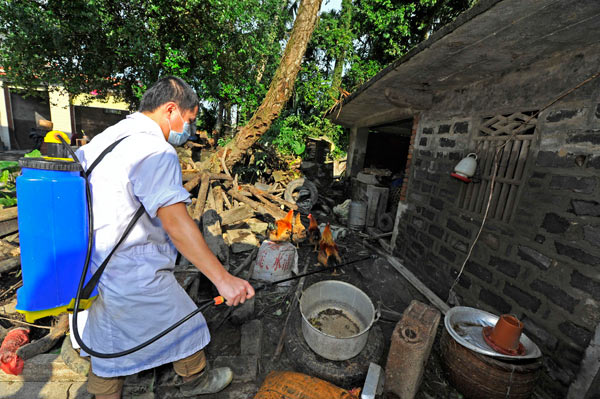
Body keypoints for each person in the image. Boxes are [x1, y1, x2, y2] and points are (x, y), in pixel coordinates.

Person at [74, 76, 255, 399]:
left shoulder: (105, 139)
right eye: (189, 120)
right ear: (171, 109)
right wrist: (223, 279)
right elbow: (175, 223)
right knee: (186, 324)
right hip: (134, 271)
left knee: (105, 344)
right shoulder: (154, 150)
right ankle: (195, 382)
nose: (189, 129)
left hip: (92, 267)